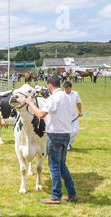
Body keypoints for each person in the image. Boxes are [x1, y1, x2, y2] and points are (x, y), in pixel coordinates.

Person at [24, 75, 78, 204]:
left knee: (54, 166)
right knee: (62, 165)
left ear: (49, 85)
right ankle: (72, 194)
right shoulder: (68, 96)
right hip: (66, 134)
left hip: (55, 136)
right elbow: (61, 115)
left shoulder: (53, 98)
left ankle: (56, 195)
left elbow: (41, 114)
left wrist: (31, 103)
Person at [64, 81, 83, 151]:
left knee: (75, 130)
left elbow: (78, 103)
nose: (66, 90)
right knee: (65, 131)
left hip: (74, 115)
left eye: (68, 88)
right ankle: (66, 145)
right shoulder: (62, 95)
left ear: (71, 88)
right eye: (65, 88)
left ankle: (68, 143)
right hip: (64, 116)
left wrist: (80, 112)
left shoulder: (75, 94)